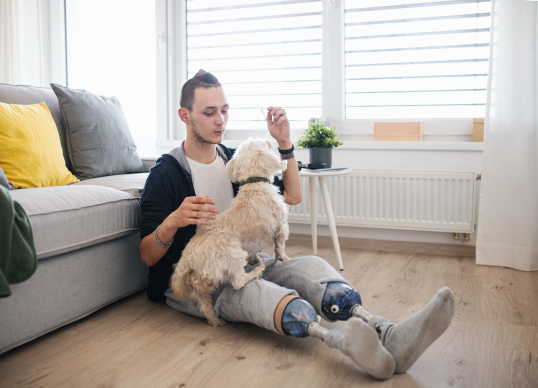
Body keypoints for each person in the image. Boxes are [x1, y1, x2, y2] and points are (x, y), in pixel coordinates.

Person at [139, 70, 455, 380]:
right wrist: (172, 222)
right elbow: (147, 256)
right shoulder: (166, 173)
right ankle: (345, 344)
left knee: (311, 267)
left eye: (224, 110)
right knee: (254, 292)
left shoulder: (232, 160)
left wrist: (285, 142)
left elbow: (292, 195)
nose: (221, 120)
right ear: (185, 115)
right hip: (197, 279)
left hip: (247, 259)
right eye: (209, 113)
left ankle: (388, 334)